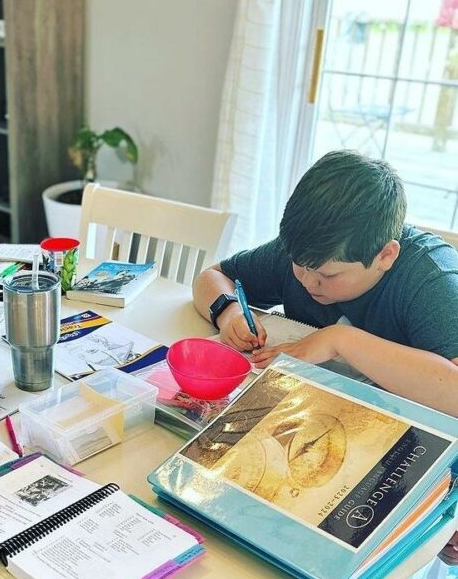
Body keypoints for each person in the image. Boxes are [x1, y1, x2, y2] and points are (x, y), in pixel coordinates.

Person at [193, 150, 458, 417]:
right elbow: (212, 277)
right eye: (300, 265)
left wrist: (339, 340)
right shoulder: (305, 252)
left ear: (385, 256)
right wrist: (229, 312)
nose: (308, 282)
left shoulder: (432, 279)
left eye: (328, 275)